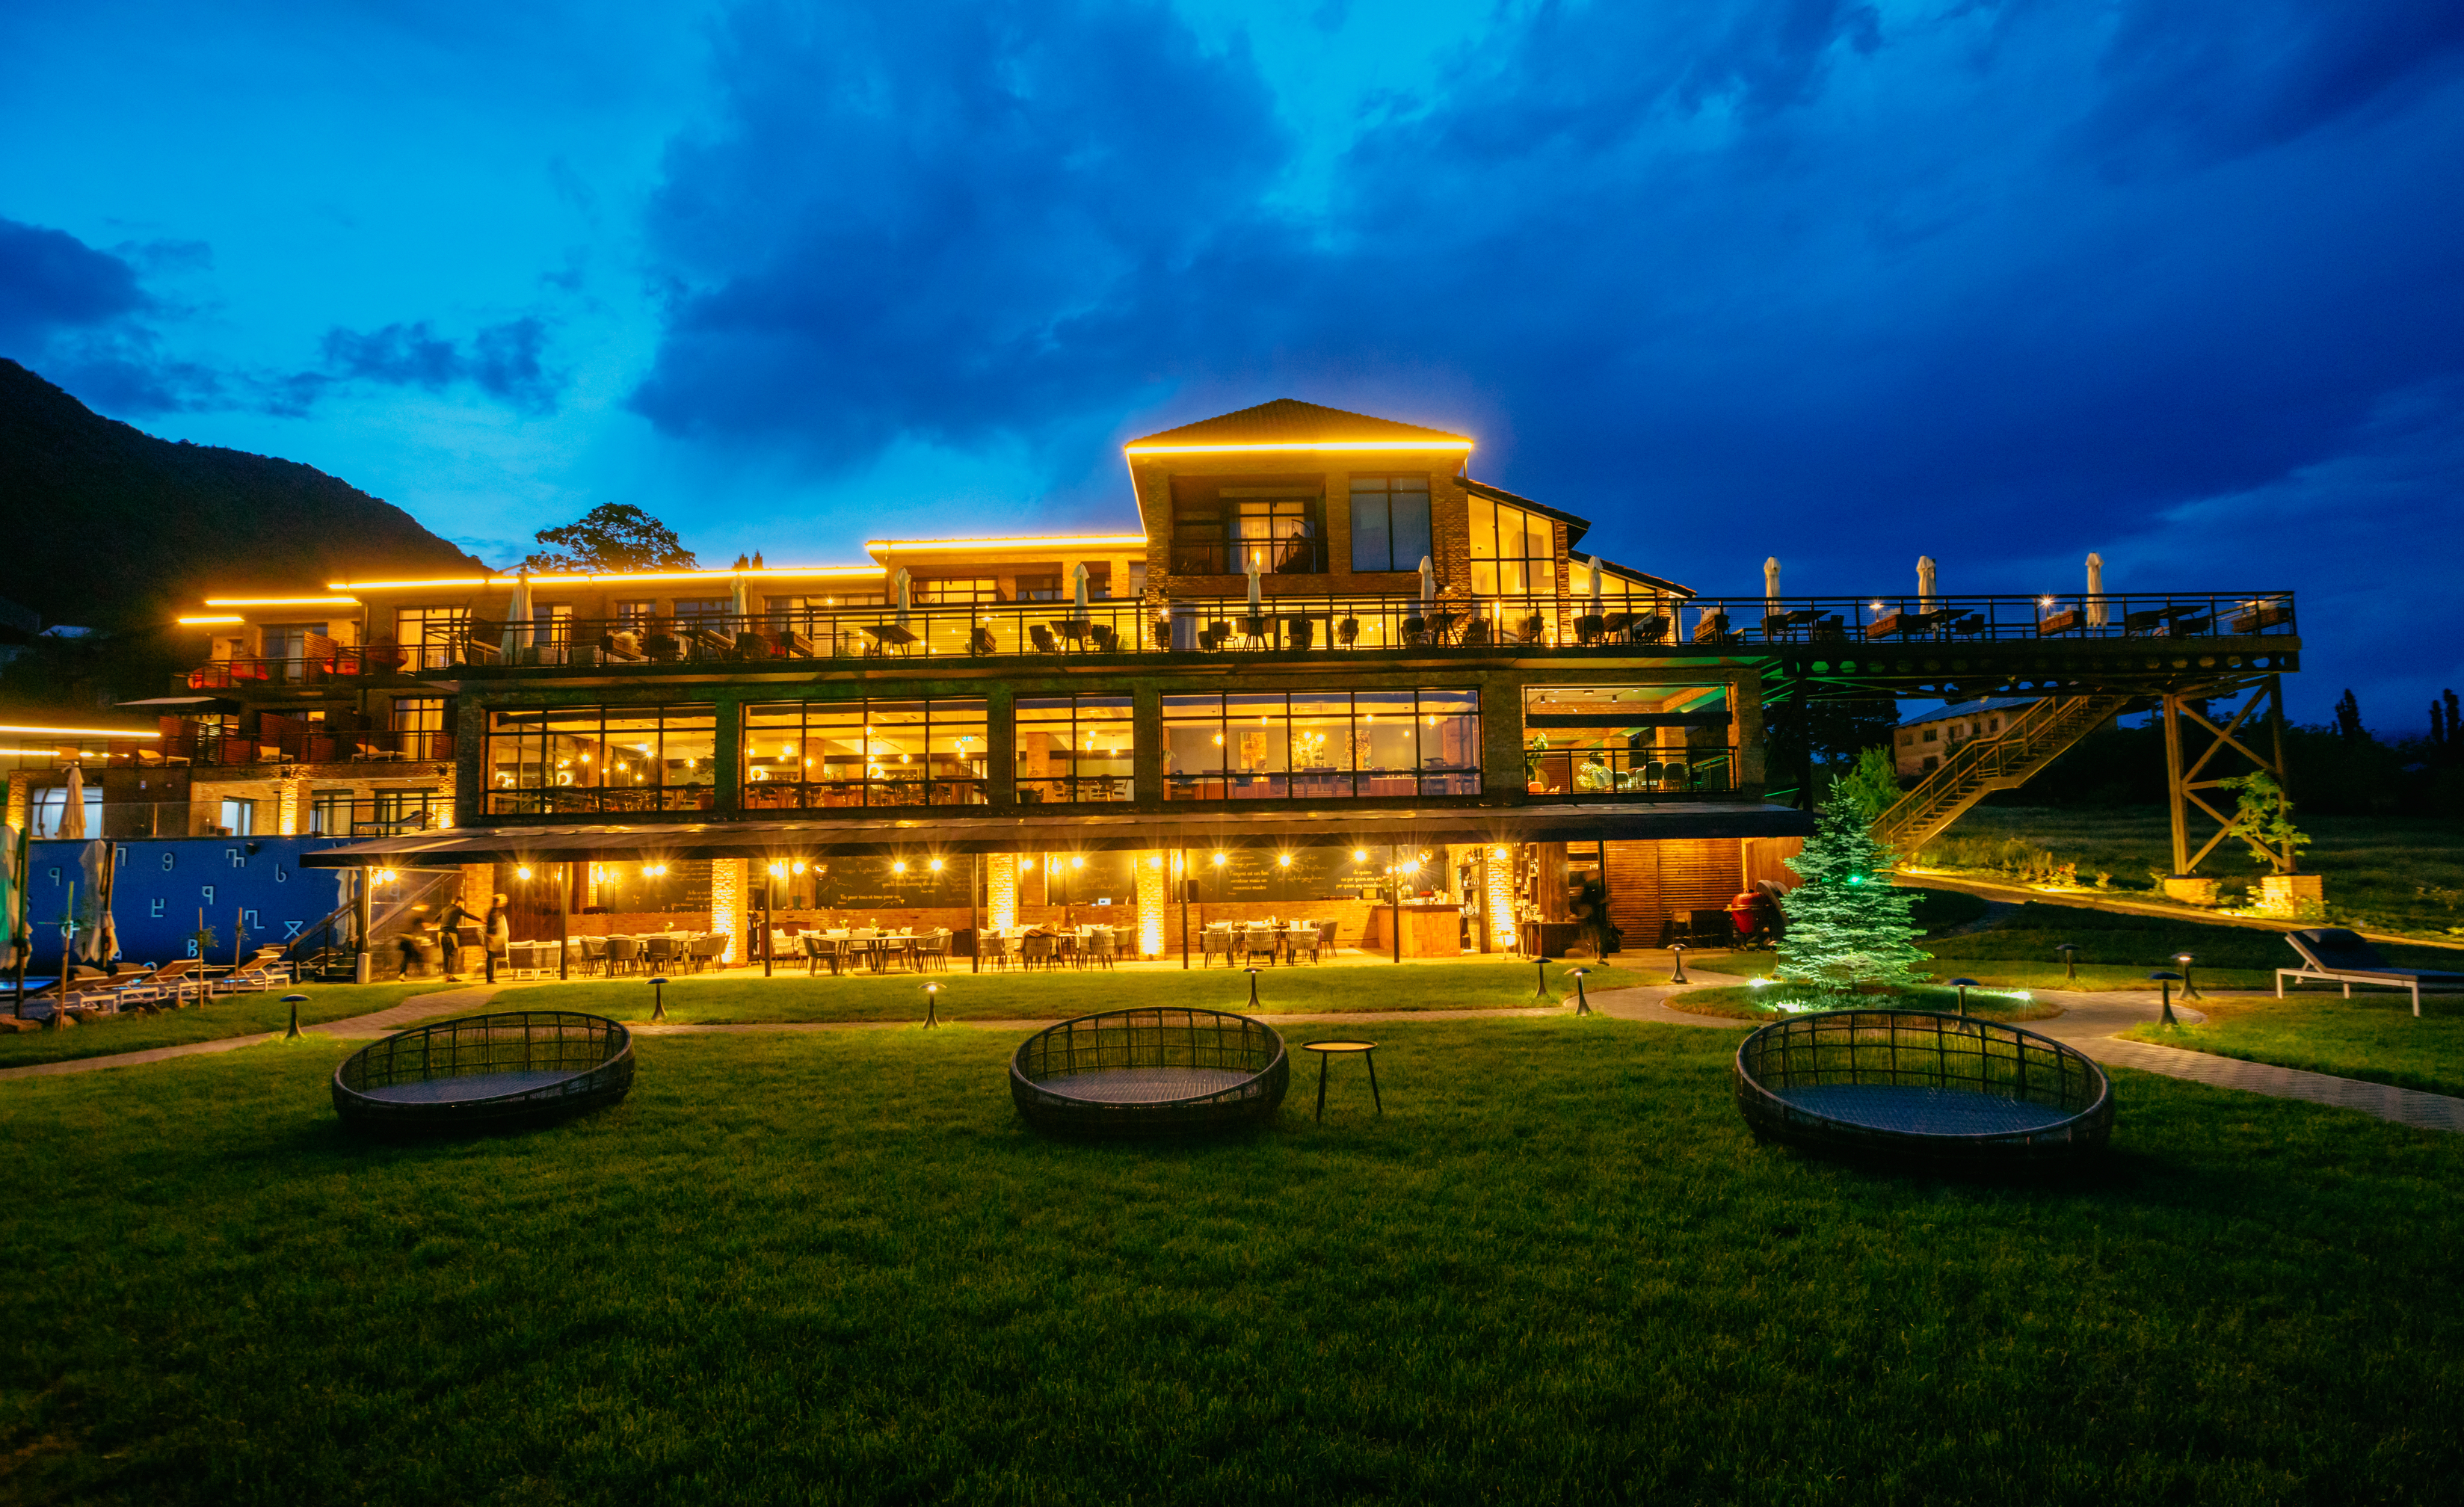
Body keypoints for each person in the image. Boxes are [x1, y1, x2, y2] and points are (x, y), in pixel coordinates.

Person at [437, 899, 484, 981]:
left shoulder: (445, 909)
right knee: (454, 955)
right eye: (462, 903)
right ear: (459, 902)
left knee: (445, 955)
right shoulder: (458, 909)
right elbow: (468, 915)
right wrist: (480, 919)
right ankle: (451, 976)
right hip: (450, 934)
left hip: (441, 934)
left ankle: (446, 976)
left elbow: (437, 918)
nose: (462, 905)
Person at [483, 893, 511, 983]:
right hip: (491, 937)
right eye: (500, 902)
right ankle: (490, 978)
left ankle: (490, 978)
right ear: (497, 903)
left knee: (491, 958)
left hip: (491, 937)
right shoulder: (494, 911)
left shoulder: (493, 910)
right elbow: (492, 924)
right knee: (491, 958)